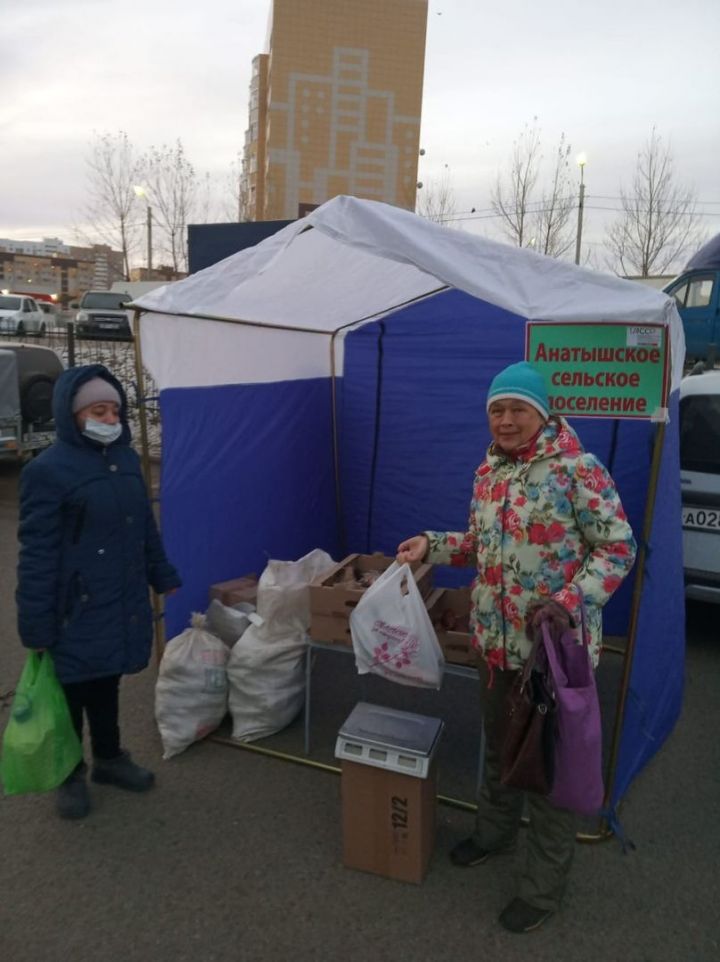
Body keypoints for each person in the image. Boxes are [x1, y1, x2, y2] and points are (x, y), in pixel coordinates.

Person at [397, 360, 636, 934]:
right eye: (496, 411)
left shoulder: (579, 470)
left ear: (542, 413)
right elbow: (481, 546)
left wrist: (571, 601)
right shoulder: (490, 473)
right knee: (502, 750)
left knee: (548, 774)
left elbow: (618, 549)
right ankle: (494, 834)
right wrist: (431, 545)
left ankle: (543, 889)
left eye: (516, 410)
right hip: (494, 645)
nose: (505, 421)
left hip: (551, 655)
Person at [16, 364, 181, 820]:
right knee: (71, 691)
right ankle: (68, 774)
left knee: (106, 681)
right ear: (73, 415)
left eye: (113, 410)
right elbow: (37, 555)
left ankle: (109, 759)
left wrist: (160, 572)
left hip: (118, 598)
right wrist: (35, 622)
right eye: (96, 410)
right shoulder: (47, 472)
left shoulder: (126, 459)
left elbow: (143, 526)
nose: (108, 418)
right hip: (73, 608)